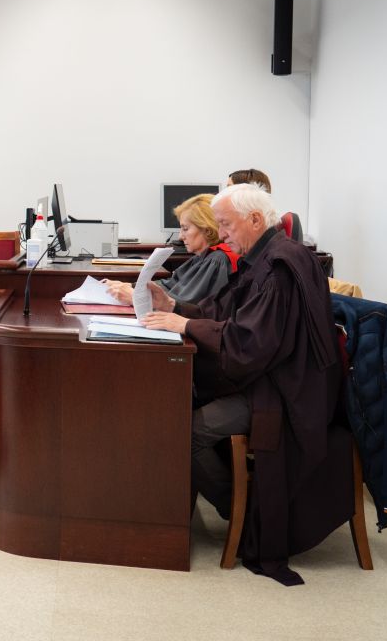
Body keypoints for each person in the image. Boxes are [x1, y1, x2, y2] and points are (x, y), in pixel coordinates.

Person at [141, 183, 347, 585]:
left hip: (285, 394)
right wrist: (176, 306)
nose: (221, 233)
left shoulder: (281, 265)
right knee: (185, 405)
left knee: (188, 430)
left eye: (226, 224)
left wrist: (185, 325)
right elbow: (228, 309)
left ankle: (245, 512)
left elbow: (251, 342)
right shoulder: (263, 257)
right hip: (269, 379)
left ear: (254, 219)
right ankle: (240, 507)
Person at [103, 194, 238, 305]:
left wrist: (135, 296)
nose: (180, 236)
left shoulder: (217, 260)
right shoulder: (203, 257)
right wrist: (129, 287)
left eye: (185, 229)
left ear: (207, 229)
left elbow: (185, 305)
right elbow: (170, 285)